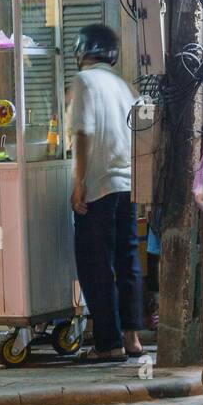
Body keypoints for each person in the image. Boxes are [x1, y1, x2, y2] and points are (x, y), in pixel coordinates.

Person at [66, 24, 143, 364]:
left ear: (83, 49)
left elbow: (84, 133)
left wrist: (79, 182)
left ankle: (107, 343)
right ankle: (131, 338)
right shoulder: (122, 84)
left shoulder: (85, 82)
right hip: (128, 186)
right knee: (128, 263)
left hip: (99, 187)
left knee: (95, 267)